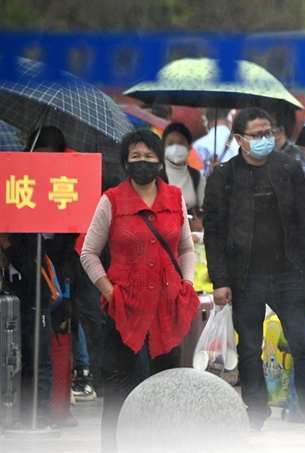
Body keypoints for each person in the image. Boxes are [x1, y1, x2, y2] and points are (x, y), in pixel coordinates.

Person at [202, 107, 305, 433]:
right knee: (249, 347)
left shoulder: (289, 168)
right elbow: (215, 232)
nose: (265, 139)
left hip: (287, 273)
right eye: (257, 135)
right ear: (239, 138)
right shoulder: (223, 177)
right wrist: (220, 280)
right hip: (245, 275)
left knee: (304, 342)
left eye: (269, 133)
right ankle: (255, 410)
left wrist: (303, 263)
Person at [80, 129, 199, 453]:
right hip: (124, 311)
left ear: (160, 162)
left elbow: (186, 249)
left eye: (149, 156)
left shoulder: (174, 198)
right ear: (125, 162)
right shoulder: (112, 200)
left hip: (167, 310)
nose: (143, 162)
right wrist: (109, 293)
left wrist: (185, 283)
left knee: (163, 388)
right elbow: (89, 253)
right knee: (119, 389)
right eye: (136, 157)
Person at [0, 126, 79, 428]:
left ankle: (42, 417)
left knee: (40, 358)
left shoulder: (64, 191)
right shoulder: (17, 186)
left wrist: (13, 244)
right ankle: (14, 415)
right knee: (14, 356)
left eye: (51, 157)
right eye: (38, 156)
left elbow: (59, 247)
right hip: (15, 286)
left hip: (43, 288)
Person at [162, 122, 206, 211]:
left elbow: (204, 207)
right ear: (163, 147)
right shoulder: (156, 175)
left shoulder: (196, 176)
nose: (175, 148)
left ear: (189, 148)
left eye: (180, 143)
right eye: (170, 144)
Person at [193, 107, 239, 177]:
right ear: (229, 122)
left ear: (207, 125)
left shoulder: (198, 145)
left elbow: (196, 178)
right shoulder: (241, 143)